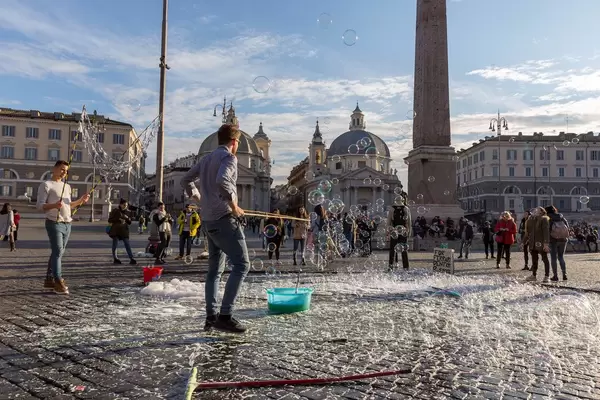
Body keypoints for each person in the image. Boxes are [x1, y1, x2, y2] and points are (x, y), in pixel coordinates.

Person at [181, 123, 250, 334]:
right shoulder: (230, 157)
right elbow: (222, 180)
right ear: (234, 142)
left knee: (214, 271)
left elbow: (185, 179)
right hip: (223, 218)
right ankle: (226, 316)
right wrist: (234, 205)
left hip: (208, 220)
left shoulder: (206, 159)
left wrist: (198, 197)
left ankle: (211, 317)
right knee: (242, 264)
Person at [37, 160, 90, 294]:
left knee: (57, 252)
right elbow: (39, 206)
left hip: (68, 223)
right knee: (58, 251)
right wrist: (54, 205)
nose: (64, 173)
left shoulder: (67, 186)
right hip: (54, 222)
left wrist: (81, 201)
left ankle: (49, 279)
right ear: (54, 168)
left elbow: (68, 205)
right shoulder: (46, 184)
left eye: (66, 171)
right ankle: (58, 280)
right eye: (61, 169)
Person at [524, 207, 551, 283]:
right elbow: (527, 233)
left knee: (545, 259)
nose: (535, 210)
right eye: (534, 210)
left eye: (537, 210)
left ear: (542, 212)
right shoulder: (530, 220)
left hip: (541, 243)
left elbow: (546, 232)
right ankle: (533, 275)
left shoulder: (544, 219)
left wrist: (546, 244)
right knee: (534, 260)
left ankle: (547, 276)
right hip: (533, 243)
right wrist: (524, 242)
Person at [107, 199, 137, 265]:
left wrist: (127, 218)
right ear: (120, 204)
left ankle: (131, 258)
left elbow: (129, 222)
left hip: (124, 231)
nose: (125, 206)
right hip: (116, 230)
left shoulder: (128, 212)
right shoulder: (115, 211)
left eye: (126, 205)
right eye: (124, 205)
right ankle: (115, 258)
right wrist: (118, 220)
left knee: (127, 244)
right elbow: (110, 220)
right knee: (115, 244)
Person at [545, 205, 569, 281]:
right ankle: (564, 274)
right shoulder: (561, 217)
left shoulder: (548, 218)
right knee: (561, 257)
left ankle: (555, 276)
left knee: (553, 258)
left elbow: (546, 231)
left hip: (553, 240)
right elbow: (567, 227)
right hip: (563, 239)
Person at [387, 199, 411, 271]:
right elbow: (409, 222)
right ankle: (406, 267)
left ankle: (390, 266)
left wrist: (387, 232)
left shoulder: (392, 208)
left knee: (392, 250)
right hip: (403, 231)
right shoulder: (406, 208)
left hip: (394, 230)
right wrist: (409, 232)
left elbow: (389, 221)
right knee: (404, 250)